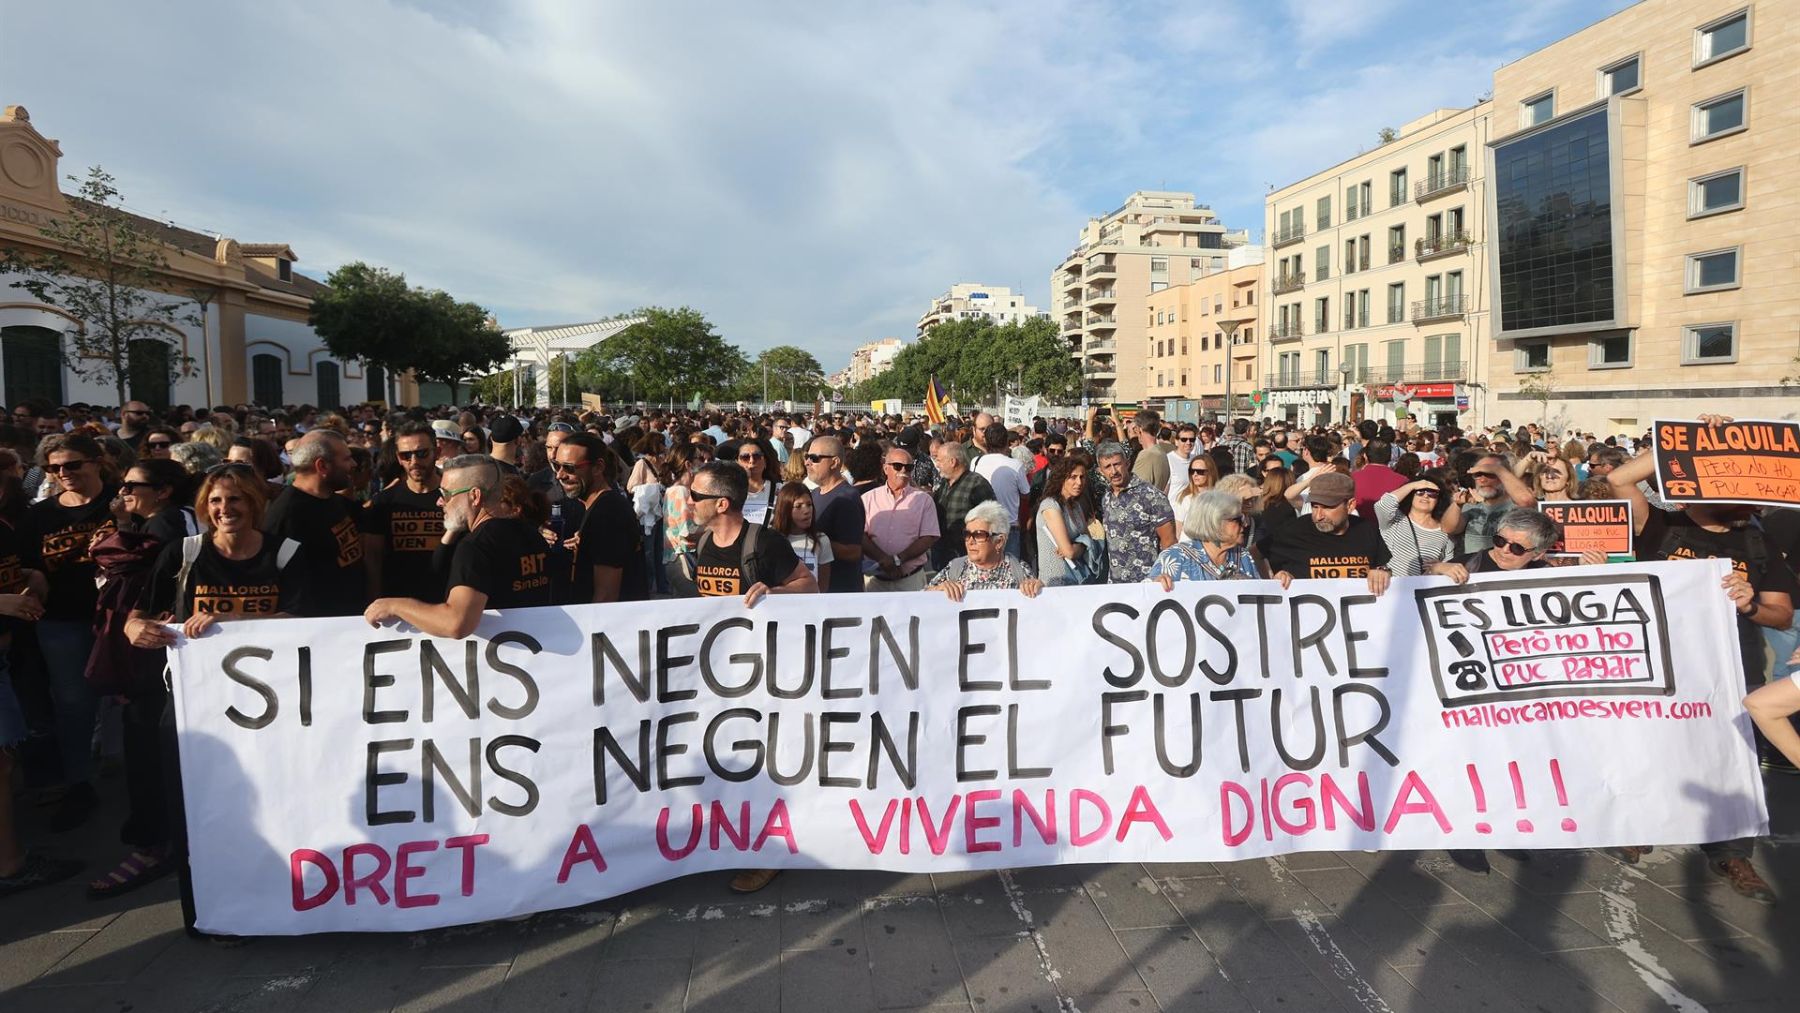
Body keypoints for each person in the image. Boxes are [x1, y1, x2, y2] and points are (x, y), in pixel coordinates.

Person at [1604, 419, 1795, 902]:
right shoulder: (1661, 524)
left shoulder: (1758, 541)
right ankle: (1641, 823)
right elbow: (1620, 480)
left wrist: (1751, 602)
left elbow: (1780, 614)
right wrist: (1691, 440)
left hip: (1731, 658)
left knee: (1731, 748)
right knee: (1650, 737)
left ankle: (1732, 851)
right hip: (1659, 654)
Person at [125, 466, 304, 938]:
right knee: (200, 797)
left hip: (273, 702)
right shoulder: (182, 554)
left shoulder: (287, 555)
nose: (226, 510)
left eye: (237, 500)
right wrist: (134, 629)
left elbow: (309, 620)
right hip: (196, 702)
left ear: (255, 505)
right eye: (217, 501)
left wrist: (231, 619)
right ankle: (211, 902)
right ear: (205, 507)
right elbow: (139, 614)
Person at [673, 460, 816, 896]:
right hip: (719, 676)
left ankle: (766, 854)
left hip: (767, 675)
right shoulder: (700, 543)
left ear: (721, 503)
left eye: (695, 496)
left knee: (761, 765)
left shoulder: (764, 542)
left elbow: (809, 585)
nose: (687, 502)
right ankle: (734, 840)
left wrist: (774, 592)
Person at [21, 433, 119, 831]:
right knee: (74, 705)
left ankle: (146, 775)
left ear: (97, 462)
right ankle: (80, 783)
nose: (64, 474)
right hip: (61, 620)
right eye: (54, 468)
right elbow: (32, 568)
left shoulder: (119, 501)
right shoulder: (40, 515)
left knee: (127, 699)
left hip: (117, 617)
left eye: (73, 464)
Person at [364, 455, 553, 638]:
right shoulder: (531, 533)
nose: (440, 502)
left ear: (475, 496)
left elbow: (457, 623)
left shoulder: (475, 547)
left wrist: (395, 606)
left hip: (501, 658)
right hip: (536, 653)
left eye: (446, 493)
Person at [263, 430, 367, 617]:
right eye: (346, 459)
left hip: (354, 620)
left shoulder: (333, 499)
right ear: (322, 466)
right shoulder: (287, 518)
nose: (353, 464)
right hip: (323, 631)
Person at [1263, 471, 1390, 595]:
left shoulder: (1367, 530)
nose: (1318, 516)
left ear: (1350, 505)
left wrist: (1382, 572)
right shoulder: (1293, 531)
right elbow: (1255, 553)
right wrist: (1273, 578)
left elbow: (1383, 567)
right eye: (1314, 506)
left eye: (1328, 507)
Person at [360, 422, 447, 603]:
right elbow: (373, 559)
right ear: (399, 458)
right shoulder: (384, 502)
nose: (414, 461)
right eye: (406, 455)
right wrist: (373, 602)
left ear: (437, 453)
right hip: (398, 608)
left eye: (422, 453)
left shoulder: (455, 498)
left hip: (446, 604)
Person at [556, 433, 647, 603]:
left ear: (598, 467)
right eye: (557, 466)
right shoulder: (599, 507)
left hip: (608, 624)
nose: (559, 475)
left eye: (569, 468)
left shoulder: (608, 512)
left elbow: (606, 596)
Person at [925, 500, 1042, 602]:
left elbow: (1037, 609)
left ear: (999, 541)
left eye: (978, 535)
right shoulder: (955, 568)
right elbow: (920, 599)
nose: (970, 541)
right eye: (967, 534)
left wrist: (1037, 589)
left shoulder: (1019, 571)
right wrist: (937, 590)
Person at [860, 447, 939, 592]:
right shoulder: (868, 498)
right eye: (897, 466)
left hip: (910, 581)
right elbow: (860, 535)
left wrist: (897, 560)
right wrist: (883, 559)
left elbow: (928, 537)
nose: (903, 471)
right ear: (885, 469)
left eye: (908, 468)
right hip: (875, 581)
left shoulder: (923, 500)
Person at [1148, 489, 1263, 588]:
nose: (1245, 524)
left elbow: (1260, 595)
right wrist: (1156, 585)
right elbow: (1144, 597)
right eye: (1238, 519)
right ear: (1215, 523)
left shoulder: (1243, 556)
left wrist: (1278, 584)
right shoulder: (1176, 557)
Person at [1097, 442, 1176, 585]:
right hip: (1116, 585)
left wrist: (1162, 576)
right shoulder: (1107, 497)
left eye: (1117, 464)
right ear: (1100, 471)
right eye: (1107, 467)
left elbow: (1169, 542)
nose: (1113, 471)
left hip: (1148, 583)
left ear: (1127, 464)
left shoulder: (1151, 496)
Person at [805, 437, 864, 592]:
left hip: (840, 594)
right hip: (818, 589)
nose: (807, 462)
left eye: (814, 458)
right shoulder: (814, 493)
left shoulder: (847, 498)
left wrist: (812, 541)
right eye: (807, 457)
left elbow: (853, 551)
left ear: (834, 462)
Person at [1450, 452, 1538, 555]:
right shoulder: (1470, 507)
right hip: (1474, 568)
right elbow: (1449, 528)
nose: (1483, 480)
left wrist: (1498, 469)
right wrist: (1457, 505)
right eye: (1478, 474)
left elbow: (1526, 501)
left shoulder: (1516, 507)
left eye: (1490, 474)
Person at [1375, 475, 1459, 577]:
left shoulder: (1445, 530)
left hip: (1422, 589)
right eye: (1420, 491)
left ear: (1439, 499)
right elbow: (1382, 505)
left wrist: (1440, 567)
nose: (1425, 496)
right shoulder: (1395, 519)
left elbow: (1449, 564)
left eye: (1432, 493)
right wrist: (1414, 484)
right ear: (1411, 495)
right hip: (1393, 588)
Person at [931, 439, 995, 570]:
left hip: (966, 556)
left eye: (940, 460)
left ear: (952, 462)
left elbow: (991, 520)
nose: (937, 465)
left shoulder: (977, 484)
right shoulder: (943, 484)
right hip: (943, 554)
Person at [1036, 455, 1095, 587]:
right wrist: (1083, 544)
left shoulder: (1076, 505)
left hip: (1077, 578)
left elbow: (1087, 540)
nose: (1079, 482)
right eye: (1073, 477)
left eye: (1082, 477)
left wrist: (1081, 545)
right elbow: (1069, 552)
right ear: (1061, 479)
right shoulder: (1050, 506)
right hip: (1056, 580)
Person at [973, 425, 1031, 559]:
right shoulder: (1016, 464)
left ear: (986, 441)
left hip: (984, 525)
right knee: (1010, 571)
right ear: (1006, 442)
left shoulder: (976, 462)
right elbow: (1026, 494)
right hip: (1008, 526)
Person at [771, 481, 832, 587]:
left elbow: (823, 585)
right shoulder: (771, 540)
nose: (807, 511)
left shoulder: (822, 540)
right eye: (798, 506)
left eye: (809, 505)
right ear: (785, 509)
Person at [1352, 438, 1407, 519]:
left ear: (1365, 456)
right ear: (1391, 456)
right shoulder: (1403, 482)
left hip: (1357, 528)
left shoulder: (1351, 479)